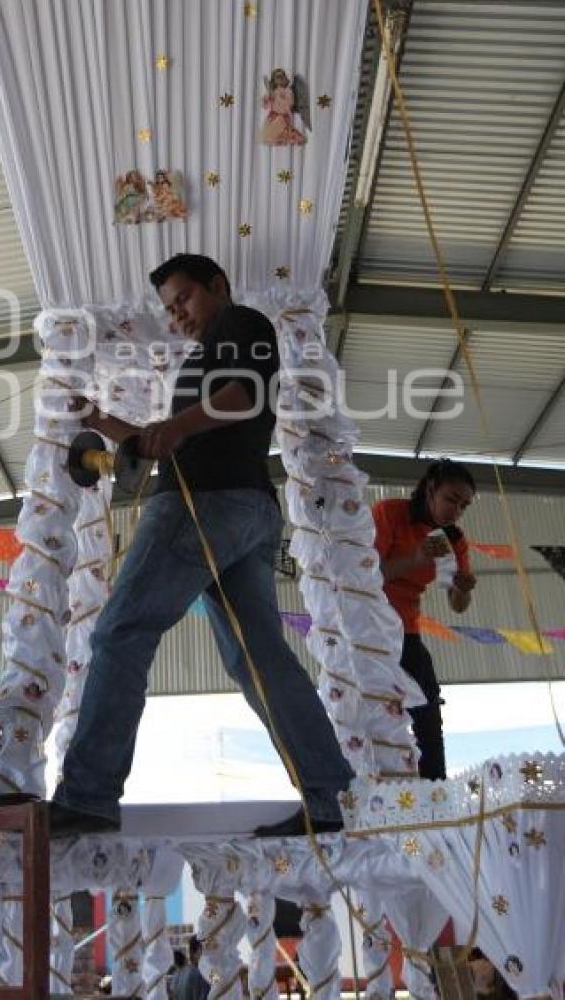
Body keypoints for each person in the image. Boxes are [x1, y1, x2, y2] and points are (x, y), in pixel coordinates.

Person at [50, 253, 352, 836]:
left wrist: (180, 426)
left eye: (184, 299)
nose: (177, 315)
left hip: (203, 505)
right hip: (242, 510)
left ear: (218, 286)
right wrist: (101, 419)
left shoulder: (242, 326)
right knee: (258, 658)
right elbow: (162, 438)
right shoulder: (204, 361)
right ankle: (331, 800)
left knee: (120, 630)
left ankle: (88, 795)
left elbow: (246, 396)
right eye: (169, 309)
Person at [372, 460, 477, 780]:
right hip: (369, 625)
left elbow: (458, 606)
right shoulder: (390, 512)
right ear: (430, 489)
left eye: (464, 505)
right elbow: (364, 576)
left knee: (428, 709)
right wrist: (416, 558)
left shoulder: (454, 538)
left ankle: (436, 791)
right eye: (451, 499)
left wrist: (461, 588)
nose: (456, 510)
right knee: (368, 708)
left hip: (407, 629)